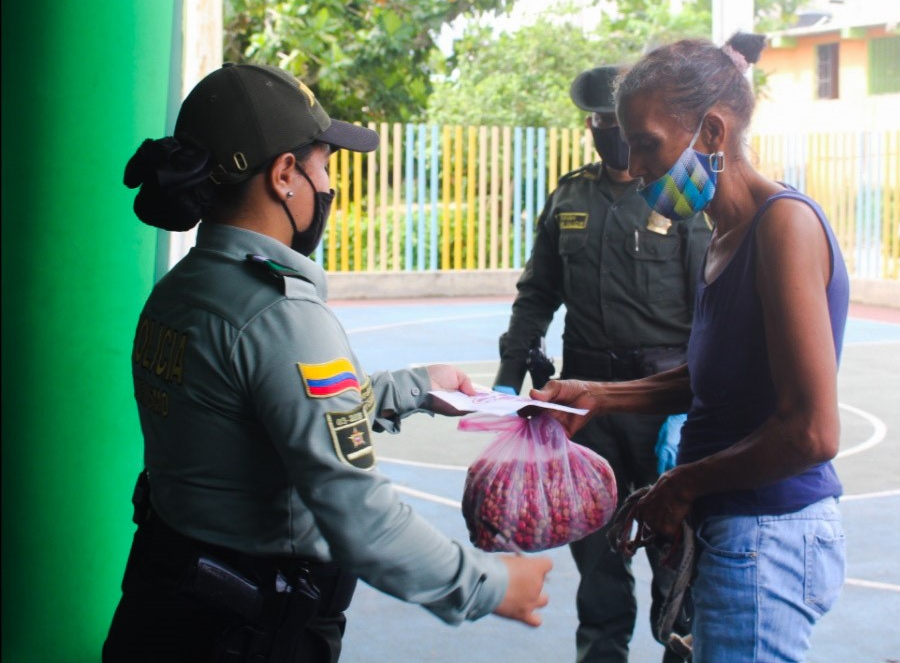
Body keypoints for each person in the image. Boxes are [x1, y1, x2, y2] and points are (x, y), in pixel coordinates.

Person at [102, 63, 551, 663]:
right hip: (246, 633)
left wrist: (414, 388)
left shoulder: (183, 290)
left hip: (164, 611)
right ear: (285, 175)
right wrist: (493, 586)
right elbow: (361, 516)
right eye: (324, 166)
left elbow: (267, 412)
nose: (328, 185)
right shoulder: (280, 316)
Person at [531, 34, 849, 662]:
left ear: (711, 132)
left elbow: (812, 433)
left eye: (647, 144)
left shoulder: (782, 225)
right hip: (732, 529)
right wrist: (597, 396)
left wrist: (679, 485)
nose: (636, 164)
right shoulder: (724, 233)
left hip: (768, 533)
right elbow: (712, 377)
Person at [493, 64, 710, 663]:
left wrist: (693, 402)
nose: (606, 132)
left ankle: (681, 649)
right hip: (585, 410)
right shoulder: (570, 197)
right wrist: (509, 379)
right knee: (596, 555)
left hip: (665, 403)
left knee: (677, 551)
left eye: (617, 123)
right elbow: (537, 293)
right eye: (597, 122)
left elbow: (710, 303)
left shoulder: (680, 191)